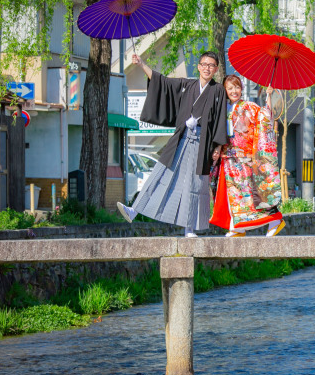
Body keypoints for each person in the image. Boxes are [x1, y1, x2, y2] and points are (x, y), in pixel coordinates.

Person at [117, 53, 228, 238]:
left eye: (211, 65)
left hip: (201, 143)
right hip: (181, 138)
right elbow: (163, 83)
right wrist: (142, 64)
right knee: (160, 173)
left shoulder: (218, 91)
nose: (207, 68)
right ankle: (134, 210)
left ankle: (189, 228)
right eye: (204, 64)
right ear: (198, 66)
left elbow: (220, 118)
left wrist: (217, 147)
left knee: (194, 184)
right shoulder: (187, 85)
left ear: (216, 69)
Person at [209, 75, 284, 237]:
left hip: (245, 158)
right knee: (233, 195)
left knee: (252, 194)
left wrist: (269, 96)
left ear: (241, 88)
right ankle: (237, 227)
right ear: (225, 90)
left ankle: (275, 220)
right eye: (230, 88)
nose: (234, 91)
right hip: (228, 157)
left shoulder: (249, 106)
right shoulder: (223, 108)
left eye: (237, 87)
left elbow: (265, 117)